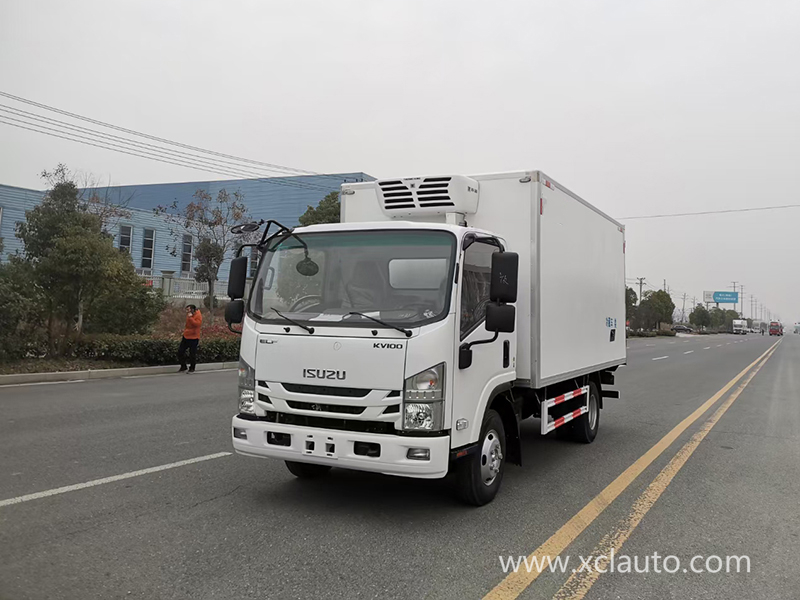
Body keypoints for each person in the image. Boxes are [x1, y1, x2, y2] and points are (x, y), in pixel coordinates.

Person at [178, 304, 202, 373]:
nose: (187, 311)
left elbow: (197, 324)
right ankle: (183, 366)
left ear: (192, 310)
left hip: (194, 337)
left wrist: (191, 318)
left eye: (188, 310)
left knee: (192, 354)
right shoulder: (189, 315)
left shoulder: (198, 315)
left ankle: (192, 368)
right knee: (180, 351)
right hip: (186, 336)